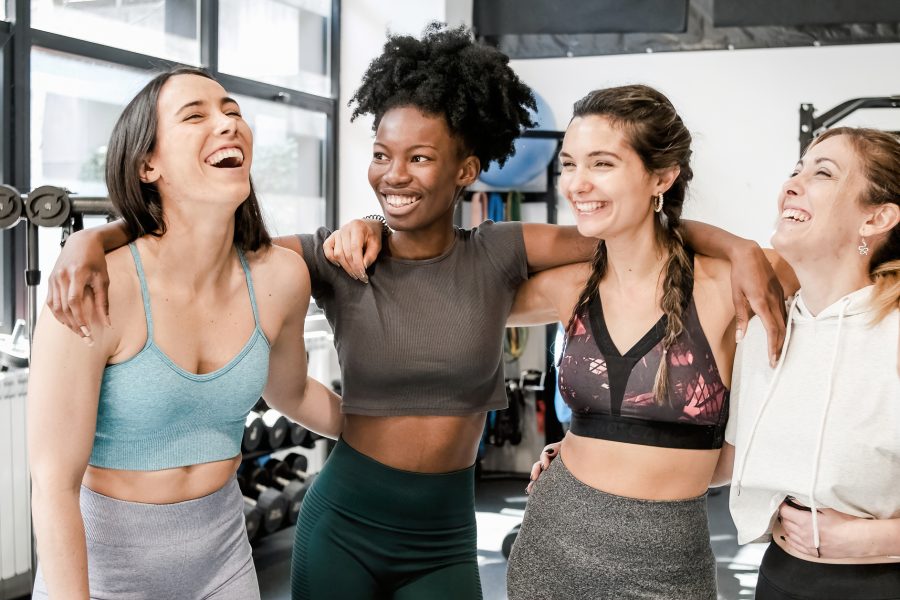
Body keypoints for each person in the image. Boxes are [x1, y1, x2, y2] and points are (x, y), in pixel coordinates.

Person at [46, 26, 787, 600]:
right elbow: (202, 240)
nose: (394, 174)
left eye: (421, 158)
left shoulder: (499, 252)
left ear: (466, 172)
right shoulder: (337, 257)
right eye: (381, 154)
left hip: (442, 531)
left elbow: (619, 229)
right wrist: (98, 235)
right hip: (345, 521)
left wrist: (736, 245)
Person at [28, 67, 342, 599]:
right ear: (148, 164)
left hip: (222, 560)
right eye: (195, 116)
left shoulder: (281, 277)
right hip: (107, 574)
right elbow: (55, 484)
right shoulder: (97, 287)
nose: (227, 124)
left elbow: (290, 392)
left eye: (233, 112)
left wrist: (394, 437)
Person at [502, 84, 796, 600]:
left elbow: (856, 269)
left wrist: (739, 245)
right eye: (568, 164)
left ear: (661, 175)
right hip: (552, 544)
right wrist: (371, 225)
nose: (577, 184)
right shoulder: (570, 286)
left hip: (669, 565)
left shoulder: (730, 283)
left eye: (602, 164)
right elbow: (448, 292)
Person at [724, 127, 900, 600]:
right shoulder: (765, 327)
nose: (792, 184)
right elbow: (729, 459)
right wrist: (590, 454)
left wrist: (875, 538)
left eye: (822, 172)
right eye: (795, 170)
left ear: (877, 217)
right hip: (781, 574)